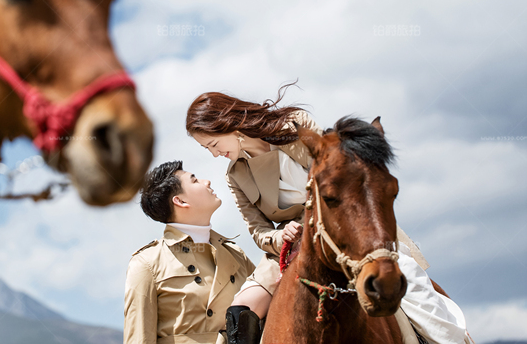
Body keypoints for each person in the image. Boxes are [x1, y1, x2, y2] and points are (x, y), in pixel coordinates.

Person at [186, 84, 471, 344]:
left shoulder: (294, 125)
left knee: (413, 287)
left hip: (344, 226)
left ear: (229, 126)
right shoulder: (235, 175)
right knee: (238, 314)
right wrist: (278, 235)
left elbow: (338, 173)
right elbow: (257, 229)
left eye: (212, 144)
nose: (214, 154)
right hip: (288, 248)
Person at [124, 161, 257, 344]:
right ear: (180, 201)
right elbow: (139, 339)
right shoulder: (147, 263)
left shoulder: (235, 254)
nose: (207, 182)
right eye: (194, 180)